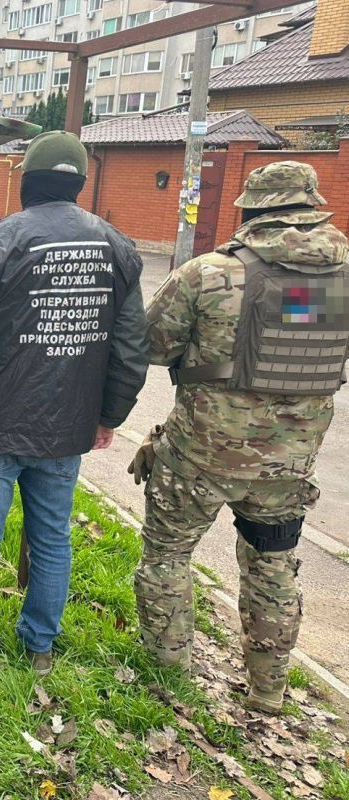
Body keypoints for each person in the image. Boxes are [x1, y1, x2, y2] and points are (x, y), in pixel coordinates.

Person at [0, 130, 148, 679]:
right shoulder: (118, 248)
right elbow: (133, 348)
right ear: (79, 183)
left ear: (27, 183)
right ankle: (39, 649)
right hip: (67, 427)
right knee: (52, 537)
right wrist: (108, 416)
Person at [132, 161, 348, 713]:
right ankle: (268, 691)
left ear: (251, 208)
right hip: (288, 465)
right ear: (312, 206)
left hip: (199, 456)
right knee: (273, 568)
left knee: (167, 558)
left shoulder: (208, 274)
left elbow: (151, 345)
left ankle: (170, 682)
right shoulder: (344, 278)